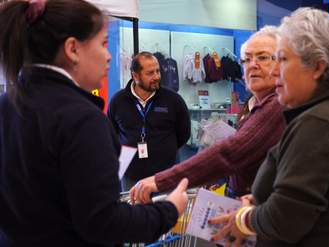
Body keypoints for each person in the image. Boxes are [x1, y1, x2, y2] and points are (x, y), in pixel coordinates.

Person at [0, 1, 189, 246]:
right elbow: (104, 222)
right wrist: (169, 210)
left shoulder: (6, 106)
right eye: (103, 43)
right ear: (72, 49)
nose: (109, 56)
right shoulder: (80, 118)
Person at [209, 7, 329, 246]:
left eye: (283, 59)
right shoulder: (321, 114)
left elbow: (288, 217)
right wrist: (262, 203)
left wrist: (246, 218)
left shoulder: (317, 123)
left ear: (318, 67)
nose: (275, 70)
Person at [130, 26, 286, 203]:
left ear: (282, 63)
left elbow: (231, 153)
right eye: (247, 59)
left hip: (260, 215)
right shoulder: (256, 104)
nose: (253, 65)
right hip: (246, 207)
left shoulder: (276, 105)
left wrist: (161, 181)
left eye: (263, 57)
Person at [107, 51, 191, 191]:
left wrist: (164, 150)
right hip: (130, 174)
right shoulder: (118, 101)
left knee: (166, 211)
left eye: (158, 71)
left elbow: (184, 133)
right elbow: (112, 134)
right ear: (135, 76)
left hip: (166, 174)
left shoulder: (173, 100)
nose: (157, 76)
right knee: (132, 212)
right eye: (150, 73)